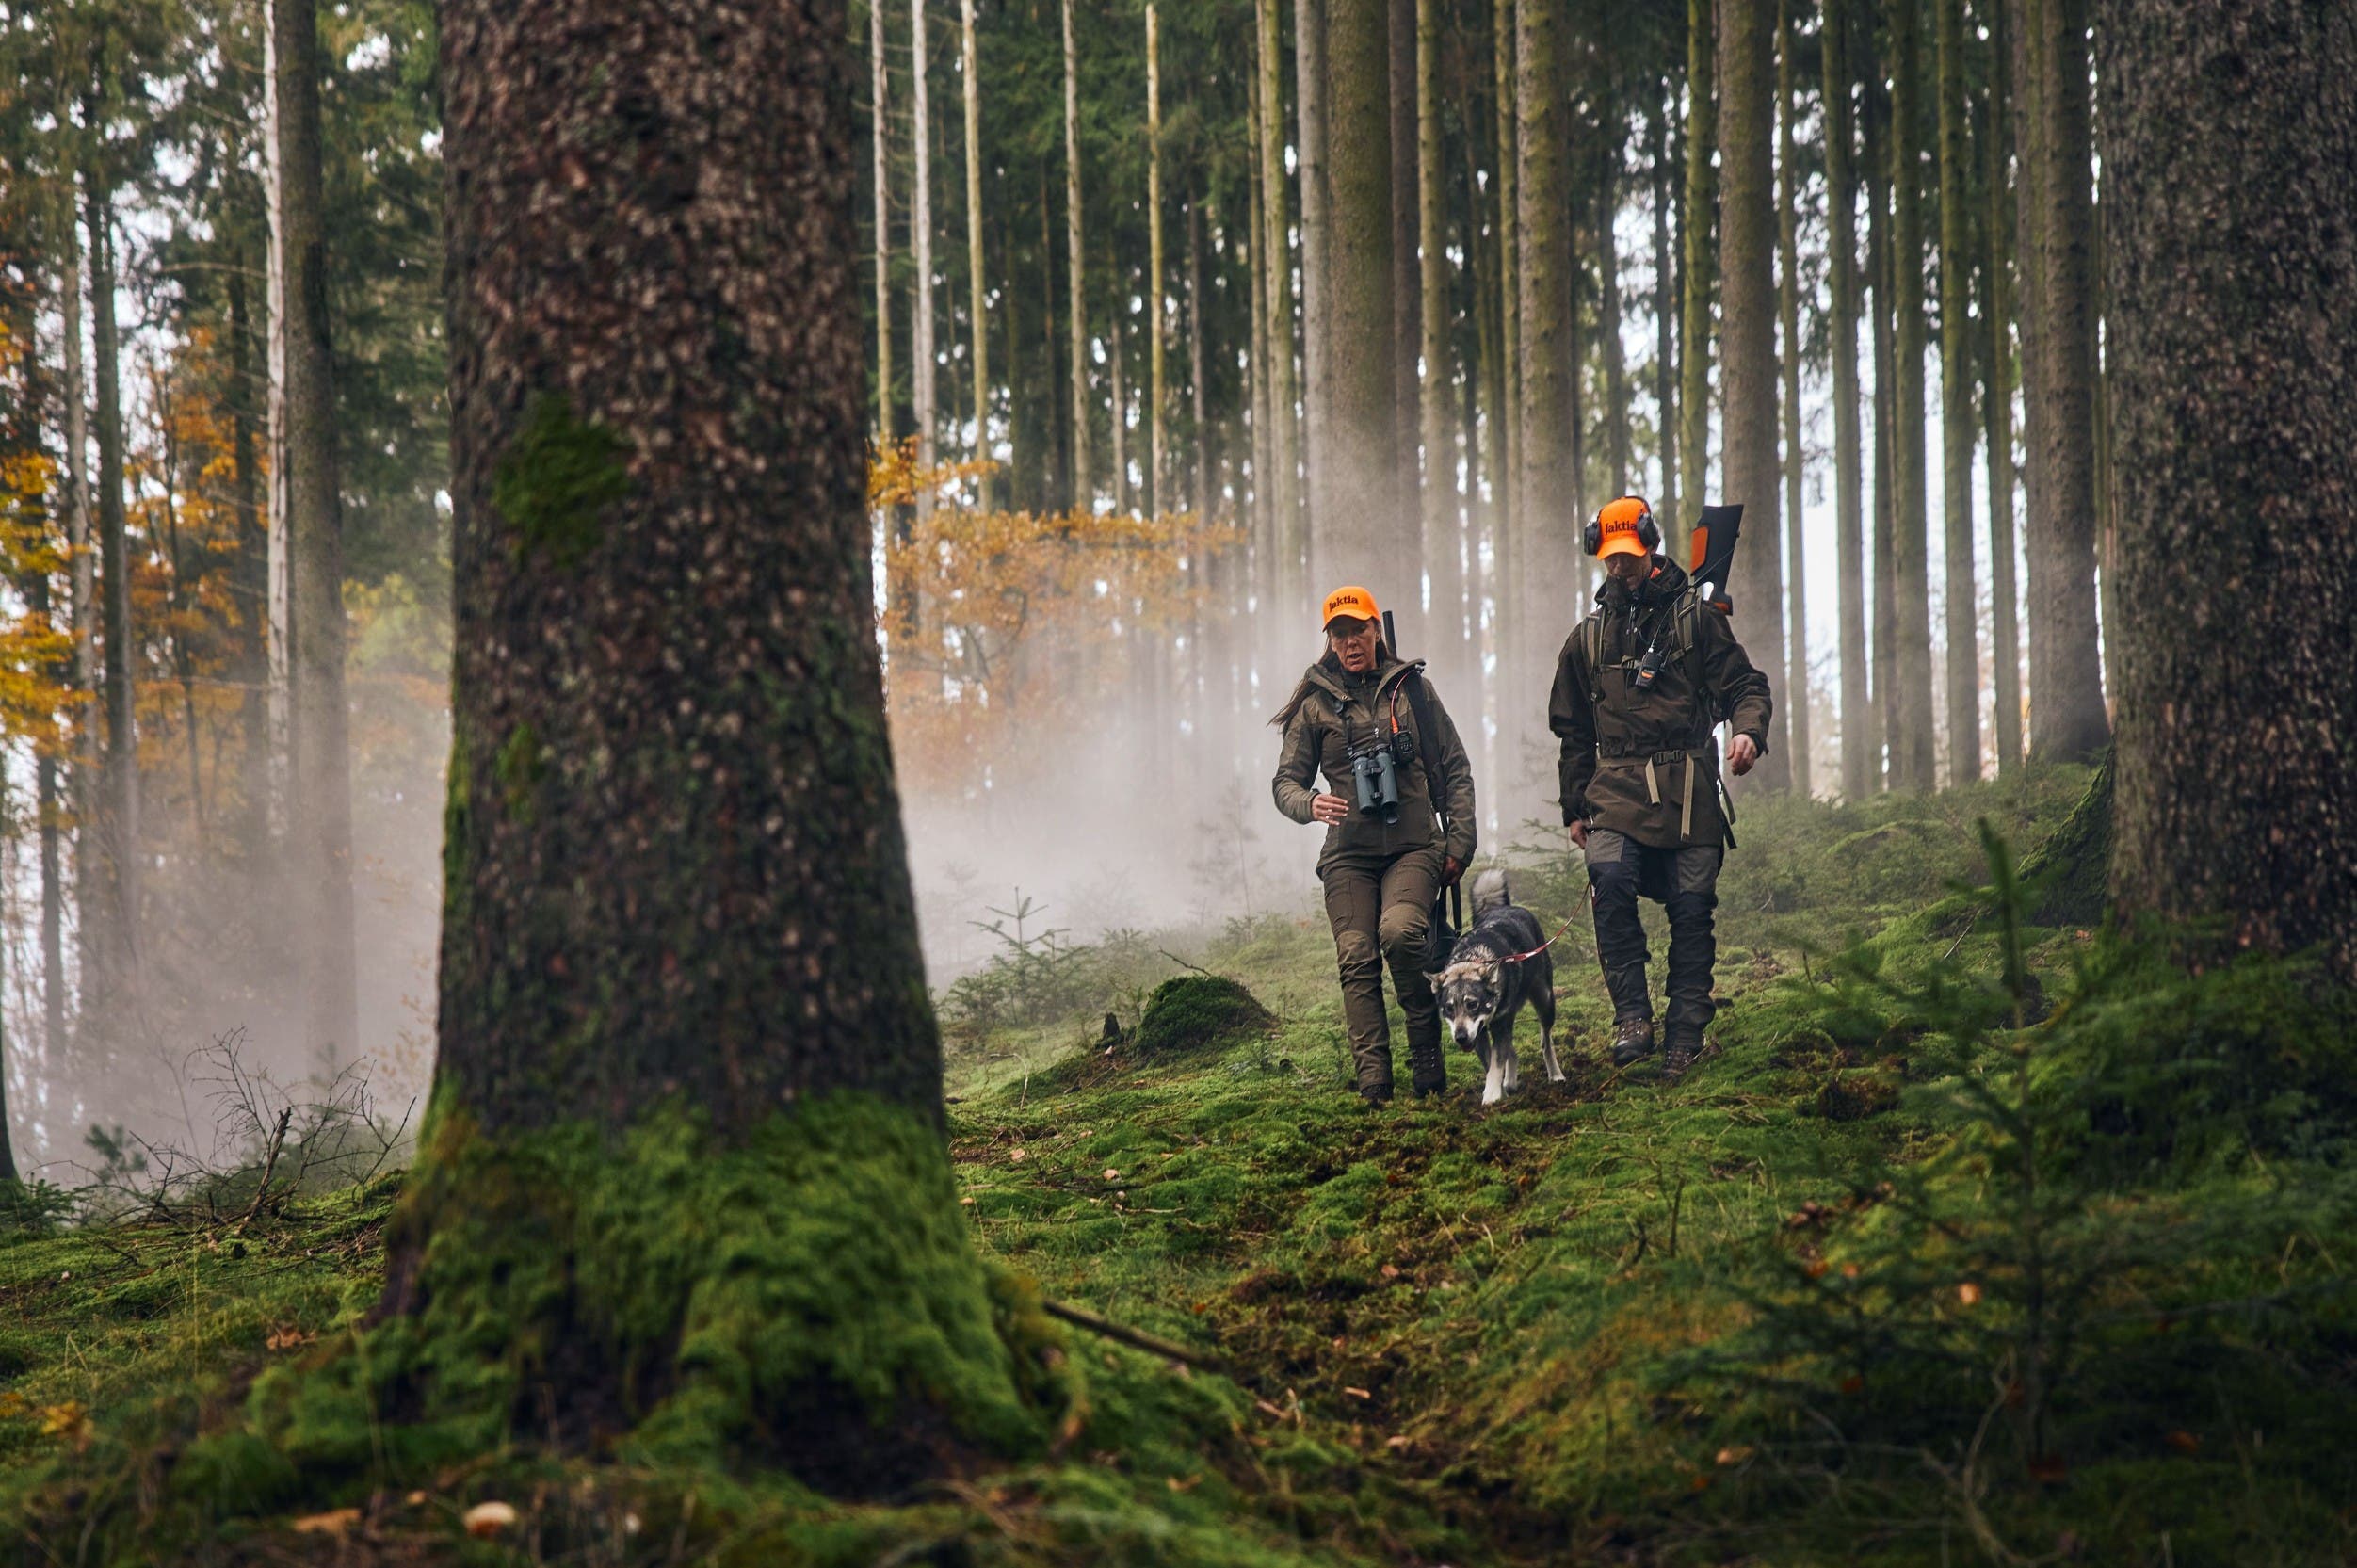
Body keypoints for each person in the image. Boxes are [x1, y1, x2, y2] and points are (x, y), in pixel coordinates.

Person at [1548, 497, 1772, 1078]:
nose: (1617, 567)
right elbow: (1572, 730)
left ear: (1649, 547)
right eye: (1608, 558)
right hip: (1615, 787)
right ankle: (1631, 1018)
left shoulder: (1697, 621)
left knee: (1693, 908)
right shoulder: (1588, 638)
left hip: (1690, 788)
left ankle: (1685, 1034)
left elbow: (1747, 686)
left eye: (1626, 556)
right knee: (1610, 877)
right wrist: (1575, 806)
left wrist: (1747, 733)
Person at [1273, 587, 1478, 1104]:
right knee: (1357, 953)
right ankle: (1374, 1079)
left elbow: (1455, 767)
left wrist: (1459, 841)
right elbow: (1285, 784)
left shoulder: (1412, 691)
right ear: (1330, 641)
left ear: (1376, 631)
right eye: (1338, 634)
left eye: (1358, 630)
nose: (1350, 642)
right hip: (1348, 855)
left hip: (1414, 845)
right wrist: (1311, 804)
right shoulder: (1316, 704)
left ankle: (1426, 1051)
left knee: (1403, 933)